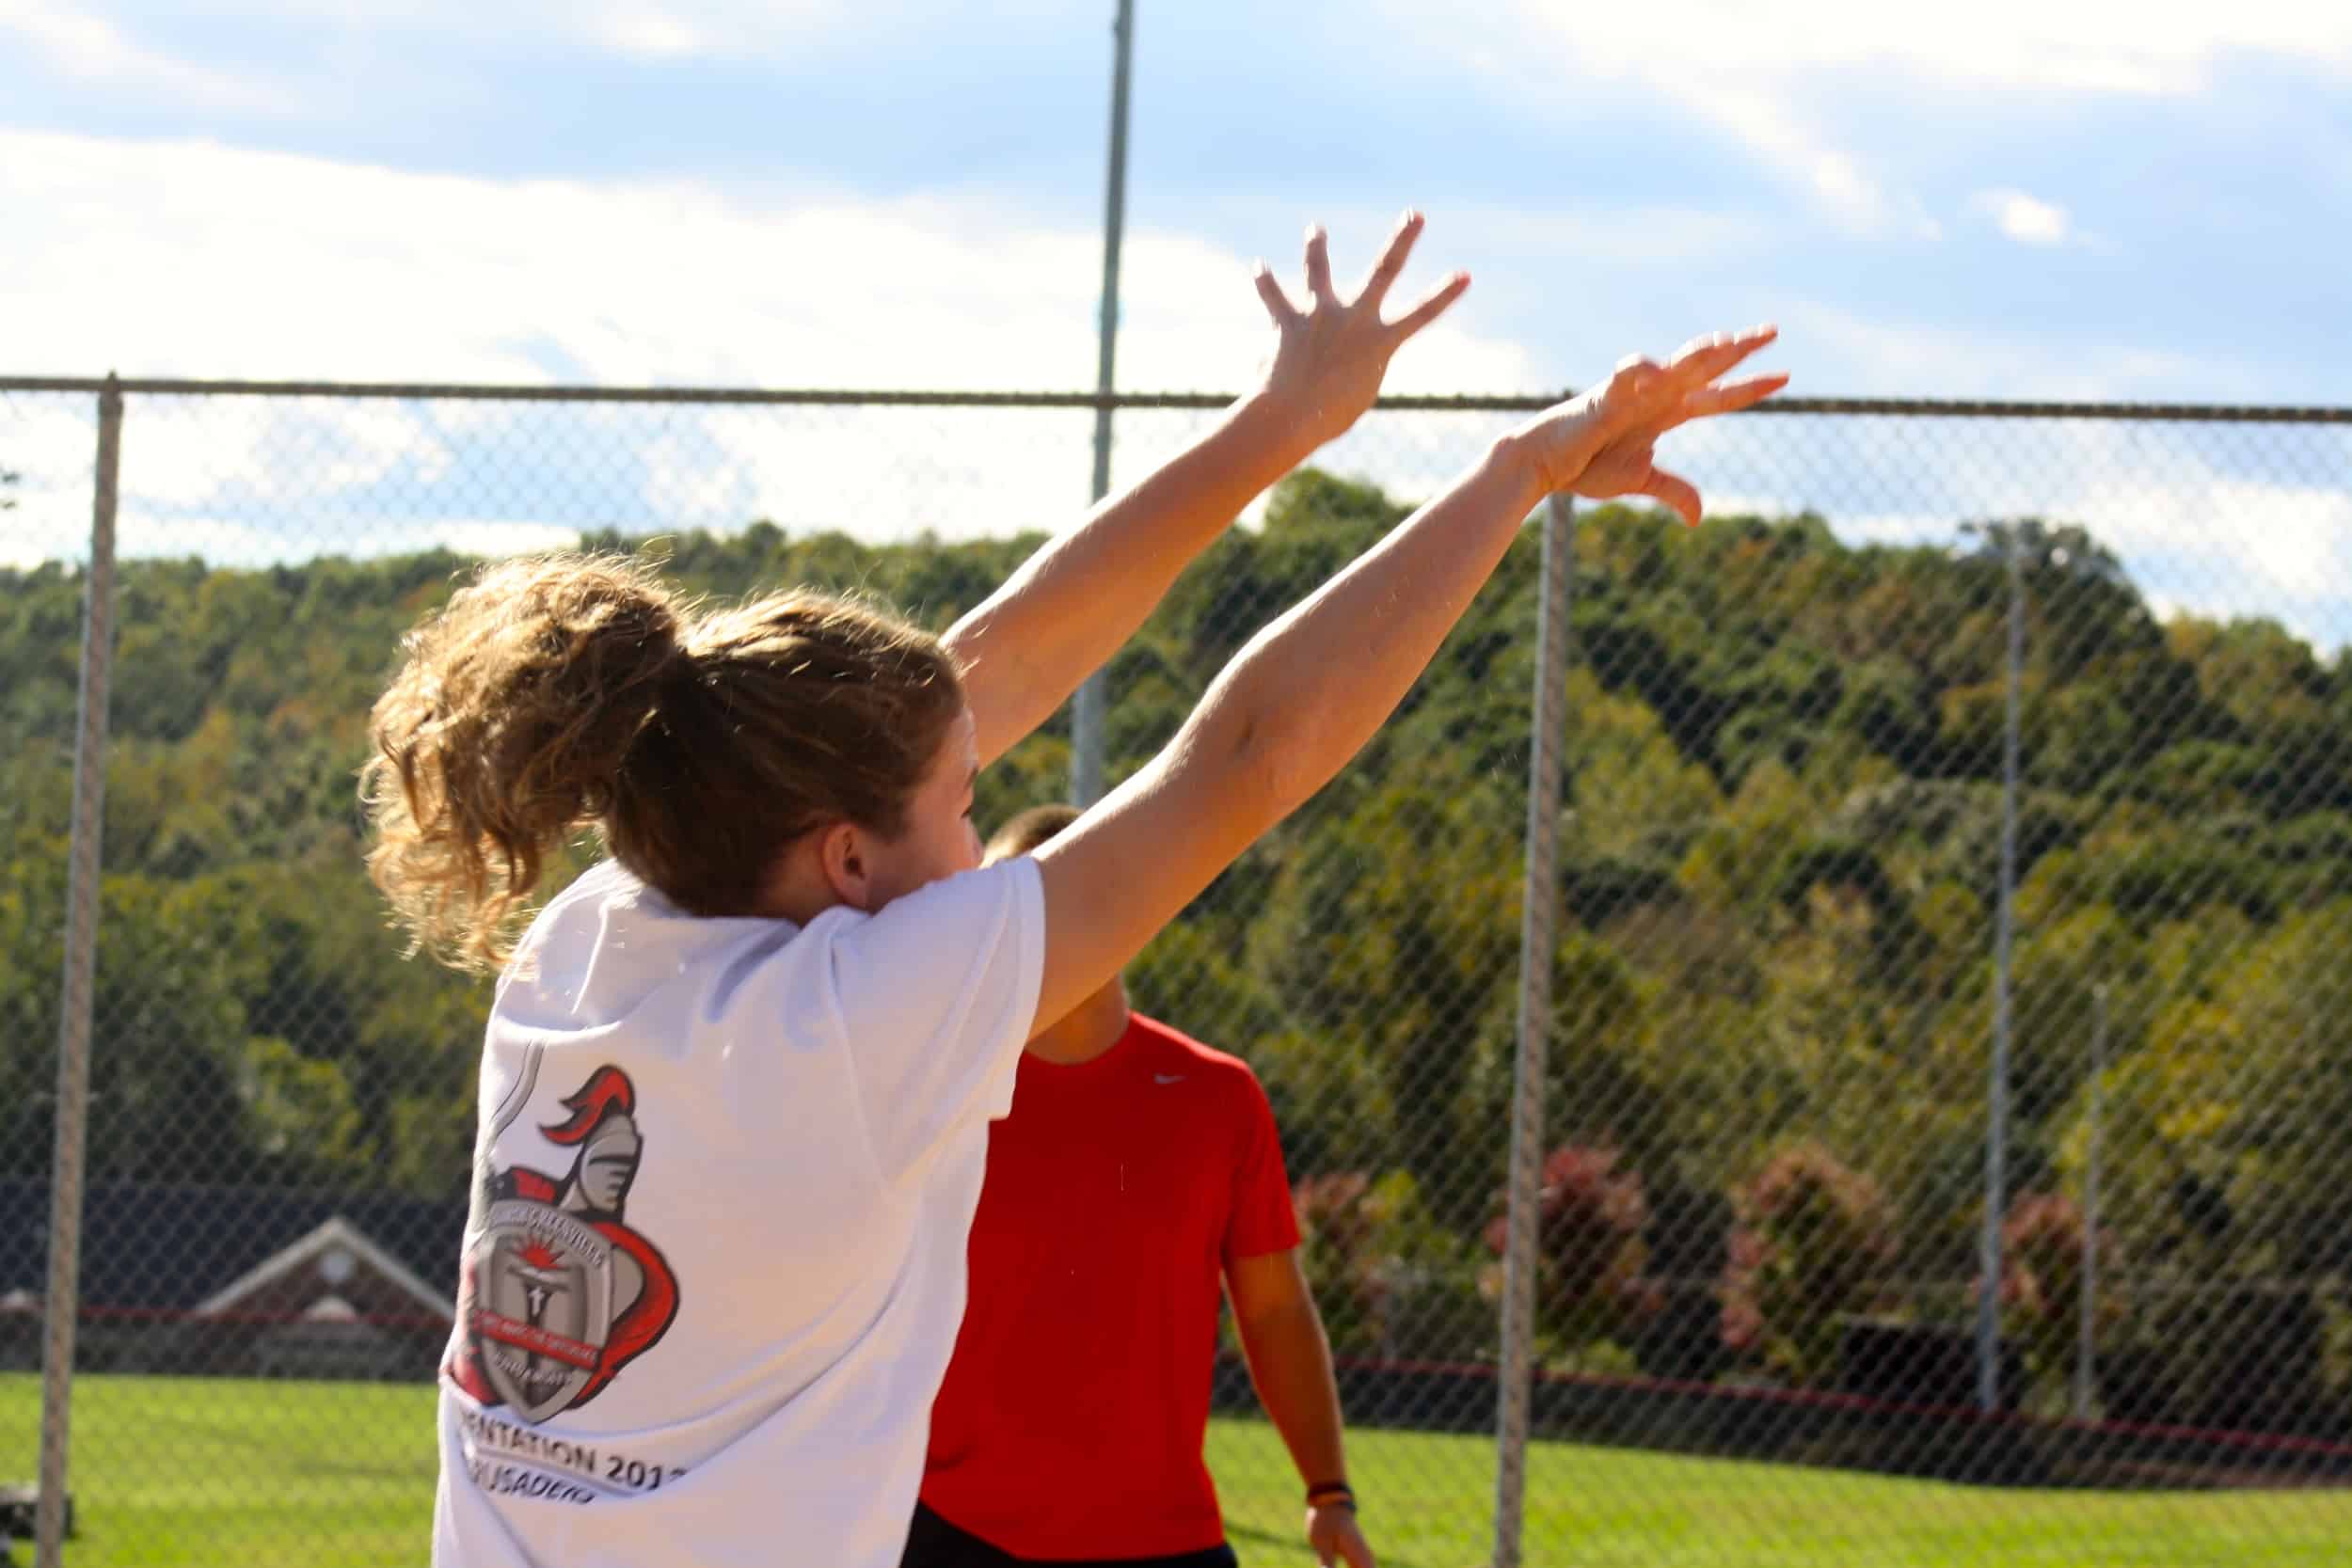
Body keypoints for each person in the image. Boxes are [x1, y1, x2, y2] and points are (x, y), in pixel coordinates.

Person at [364, 206, 1786, 1568]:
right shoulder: (859, 1020)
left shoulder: (597, 929)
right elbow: (1247, 750)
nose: (986, 836)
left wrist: (1289, 422)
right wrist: (1517, 474)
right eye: (969, 809)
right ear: (845, 859)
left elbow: (986, 665)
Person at [904, 804, 1371, 1568]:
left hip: (1162, 1542)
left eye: (1072, 894)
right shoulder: (935, 1085)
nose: (1041, 923)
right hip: (954, 1532)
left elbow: (1277, 1306)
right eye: (1013, 901)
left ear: (1129, 906)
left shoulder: (1217, 1097)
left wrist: (1329, 1493)